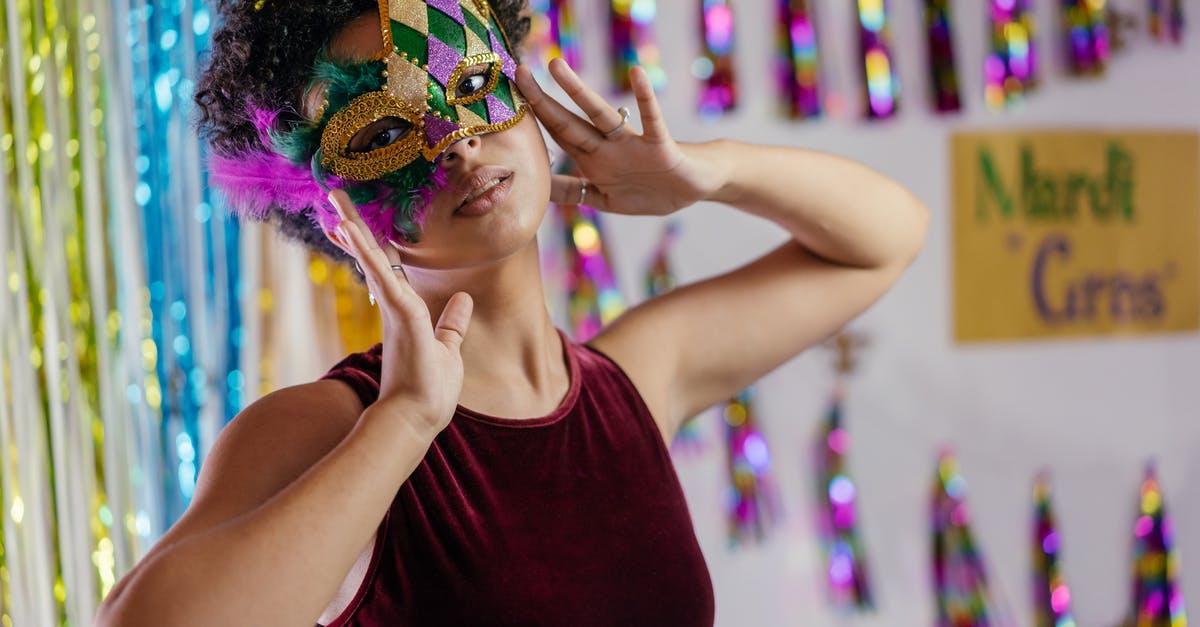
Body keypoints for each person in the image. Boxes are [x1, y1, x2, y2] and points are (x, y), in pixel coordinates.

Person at [95, 0, 929, 625]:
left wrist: (705, 175)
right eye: (384, 130)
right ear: (328, 207)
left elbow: (885, 238)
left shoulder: (634, 380)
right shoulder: (334, 425)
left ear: (524, 97)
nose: (455, 144)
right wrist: (408, 421)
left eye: (471, 86)